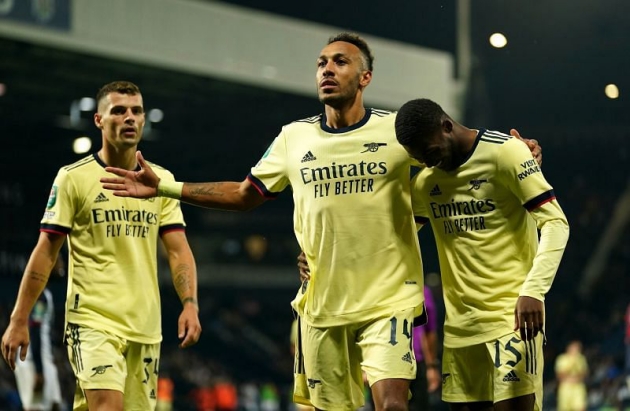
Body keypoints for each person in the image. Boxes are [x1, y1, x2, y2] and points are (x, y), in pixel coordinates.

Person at [99, 34, 541, 411]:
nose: (327, 69)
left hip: (388, 303)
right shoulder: (294, 138)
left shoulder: (395, 132)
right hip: (322, 307)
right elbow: (244, 194)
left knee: (392, 404)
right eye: (321, 63)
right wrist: (166, 187)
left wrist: (516, 155)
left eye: (340, 62)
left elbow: (455, 156)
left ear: (365, 78)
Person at [1, 80, 202, 411]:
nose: (129, 118)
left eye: (136, 111)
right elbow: (46, 251)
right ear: (99, 120)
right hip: (92, 321)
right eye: (119, 111)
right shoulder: (73, 178)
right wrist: (19, 318)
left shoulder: (160, 181)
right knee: (108, 406)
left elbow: (178, 250)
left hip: (145, 327)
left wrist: (190, 303)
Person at [394, 98, 569, 411]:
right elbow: (391, 239)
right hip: (459, 332)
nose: (429, 163)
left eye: (430, 152)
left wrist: (534, 290)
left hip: (512, 321)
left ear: (447, 126)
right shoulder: (425, 184)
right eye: (421, 159)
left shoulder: (506, 153)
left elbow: (556, 224)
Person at [13, 258, 65, 411]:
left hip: (44, 360)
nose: (61, 264)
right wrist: (39, 370)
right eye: (58, 260)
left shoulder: (44, 294)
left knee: (55, 404)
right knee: (36, 407)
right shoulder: (39, 296)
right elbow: (34, 331)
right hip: (31, 361)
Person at [409, 286, 440, 411]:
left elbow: (429, 331)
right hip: (387, 362)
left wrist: (431, 367)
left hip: (417, 361)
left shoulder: (421, 289)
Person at [554, 340, 589, 411]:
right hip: (565, 387)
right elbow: (559, 374)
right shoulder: (562, 359)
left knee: (581, 408)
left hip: (578, 387)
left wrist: (576, 378)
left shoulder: (581, 359)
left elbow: (585, 373)